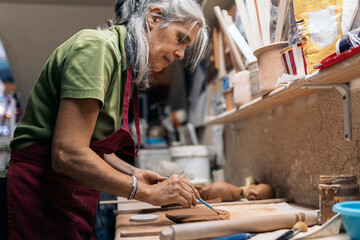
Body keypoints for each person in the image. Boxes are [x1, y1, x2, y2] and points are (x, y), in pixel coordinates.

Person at [0, 0, 209, 239]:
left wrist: (134, 173)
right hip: (35, 195)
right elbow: (67, 153)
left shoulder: (122, 62)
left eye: (186, 46)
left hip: (66, 195)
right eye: (180, 38)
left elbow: (93, 146)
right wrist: (145, 193)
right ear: (154, 18)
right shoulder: (97, 48)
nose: (180, 53)